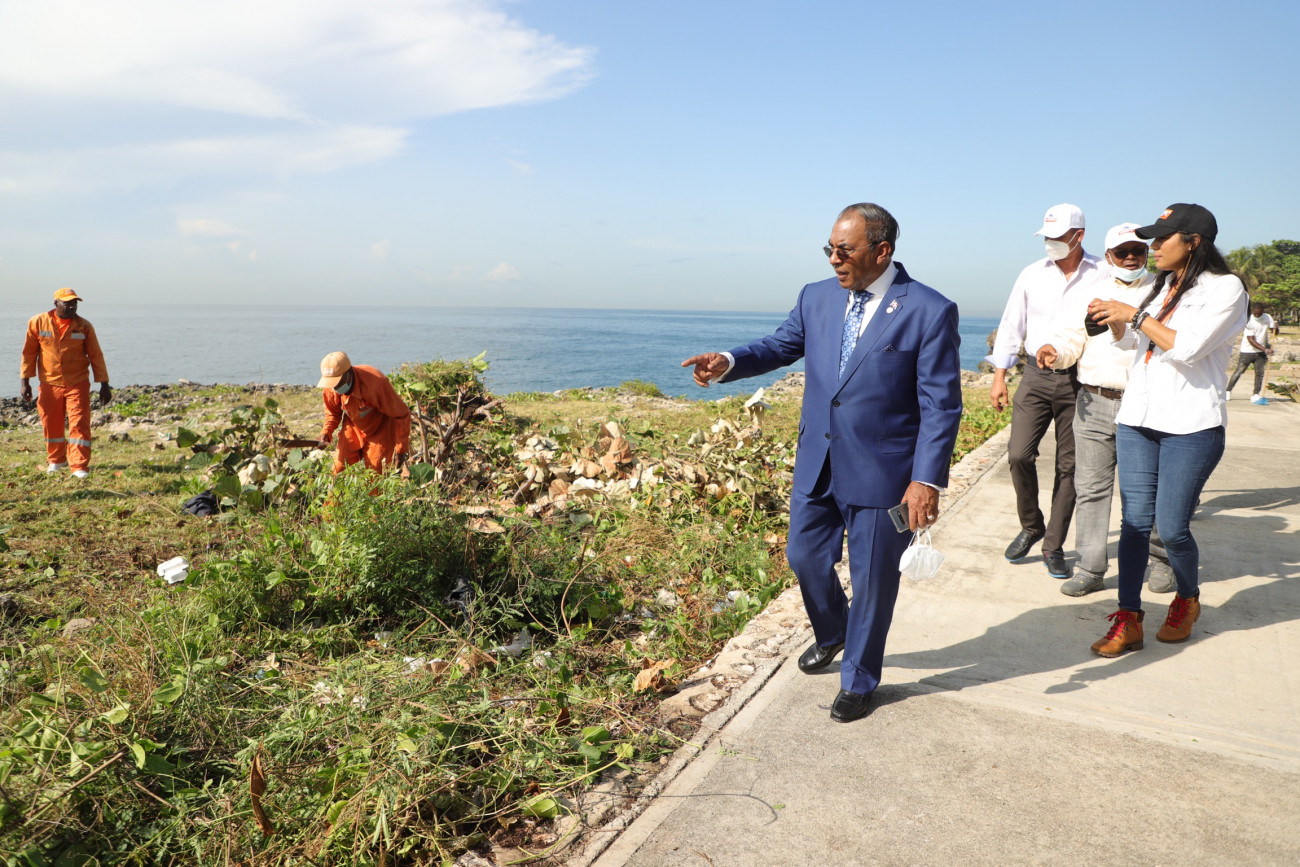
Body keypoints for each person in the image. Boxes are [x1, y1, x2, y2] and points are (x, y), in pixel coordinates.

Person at [681, 203, 962, 723]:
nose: (834, 259)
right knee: (804, 557)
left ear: (882, 251)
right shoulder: (816, 296)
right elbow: (779, 346)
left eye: (845, 250)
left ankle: (859, 680)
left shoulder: (929, 309)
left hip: (884, 474)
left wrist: (925, 479)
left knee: (873, 582)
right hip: (818, 461)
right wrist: (729, 362)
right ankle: (833, 630)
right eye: (829, 249)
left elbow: (941, 405)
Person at [1083, 203, 1247, 657]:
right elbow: (1137, 343)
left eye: (1162, 238)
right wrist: (1115, 321)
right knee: (1134, 524)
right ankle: (1128, 618)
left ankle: (1187, 599)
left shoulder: (1225, 288)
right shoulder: (1162, 285)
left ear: (1193, 242)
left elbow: (1189, 348)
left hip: (1191, 425)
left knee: (1172, 529)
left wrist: (1134, 315)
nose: (1153, 247)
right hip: (1138, 419)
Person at [1036, 224, 1172, 596]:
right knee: (1091, 490)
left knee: (1145, 492)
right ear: (1109, 255)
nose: (1130, 258)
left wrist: (1122, 323)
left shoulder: (1163, 291)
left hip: (1142, 405)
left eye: (1137, 251)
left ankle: (1161, 560)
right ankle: (1091, 568)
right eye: (1122, 252)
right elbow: (1071, 338)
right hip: (1092, 401)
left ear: (1146, 253)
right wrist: (1055, 352)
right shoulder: (1091, 292)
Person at [988, 204, 1110, 579]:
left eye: (1057, 236)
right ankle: (1031, 525)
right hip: (1035, 376)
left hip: (1081, 380)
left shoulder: (1103, 273)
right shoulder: (1031, 274)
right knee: (1018, 455)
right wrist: (999, 375)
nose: (1050, 242)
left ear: (1079, 235)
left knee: (1069, 467)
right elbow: (1012, 324)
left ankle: (1053, 545)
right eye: (1046, 236)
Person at [20, 288, 112, 479]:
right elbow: (29, 354)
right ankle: (56, 460)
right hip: (49, 383)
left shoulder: (84, 326)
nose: (71, 306)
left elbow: (96, 356)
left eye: (74, 303)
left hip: (77, 383)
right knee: (50, 423)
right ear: (56, 303)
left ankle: (79, 465)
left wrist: (104, 384)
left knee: (79, 423)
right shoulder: (37, 322)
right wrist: (25, 381)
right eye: (67, 303)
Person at [315, 351, 412, 475]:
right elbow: (332, 413)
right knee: (338, 469)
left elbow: (401, 414)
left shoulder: (376, 383)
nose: (336, 388)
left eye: (338, 382)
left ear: (349, 373)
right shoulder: (330, 387)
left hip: (380, 430)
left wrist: (401, 449)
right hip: (353, 427)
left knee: (376, 475)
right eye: (332, 383)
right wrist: (326, 432)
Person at [1226, 302, 1277, 404]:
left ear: (1262, 311)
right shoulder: (1248, 320)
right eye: (1255, 313)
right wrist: (1265, 350)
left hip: (1261, 352)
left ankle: (1256, 394)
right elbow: (1251, 340)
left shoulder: (1267, 317)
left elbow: (1274, 331)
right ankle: (1228, 391)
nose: (1257, 315)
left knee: (1259, 373)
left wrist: (1276, 328)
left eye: (1259, 314)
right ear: (1253, 311)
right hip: (1247, 351)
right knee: (1239, 371)